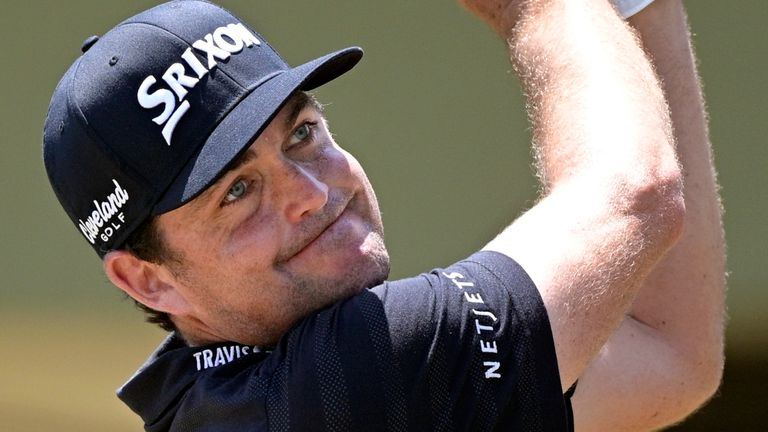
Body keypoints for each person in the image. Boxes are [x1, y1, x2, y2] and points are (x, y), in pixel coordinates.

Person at [42, 0, 724, 430]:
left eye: (301, 134)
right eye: (236, 192)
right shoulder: (342, 384)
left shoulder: (215, 396)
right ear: (148, 280)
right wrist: (541, 10)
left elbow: (665, 357)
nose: (308, 191)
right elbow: (634, 192)